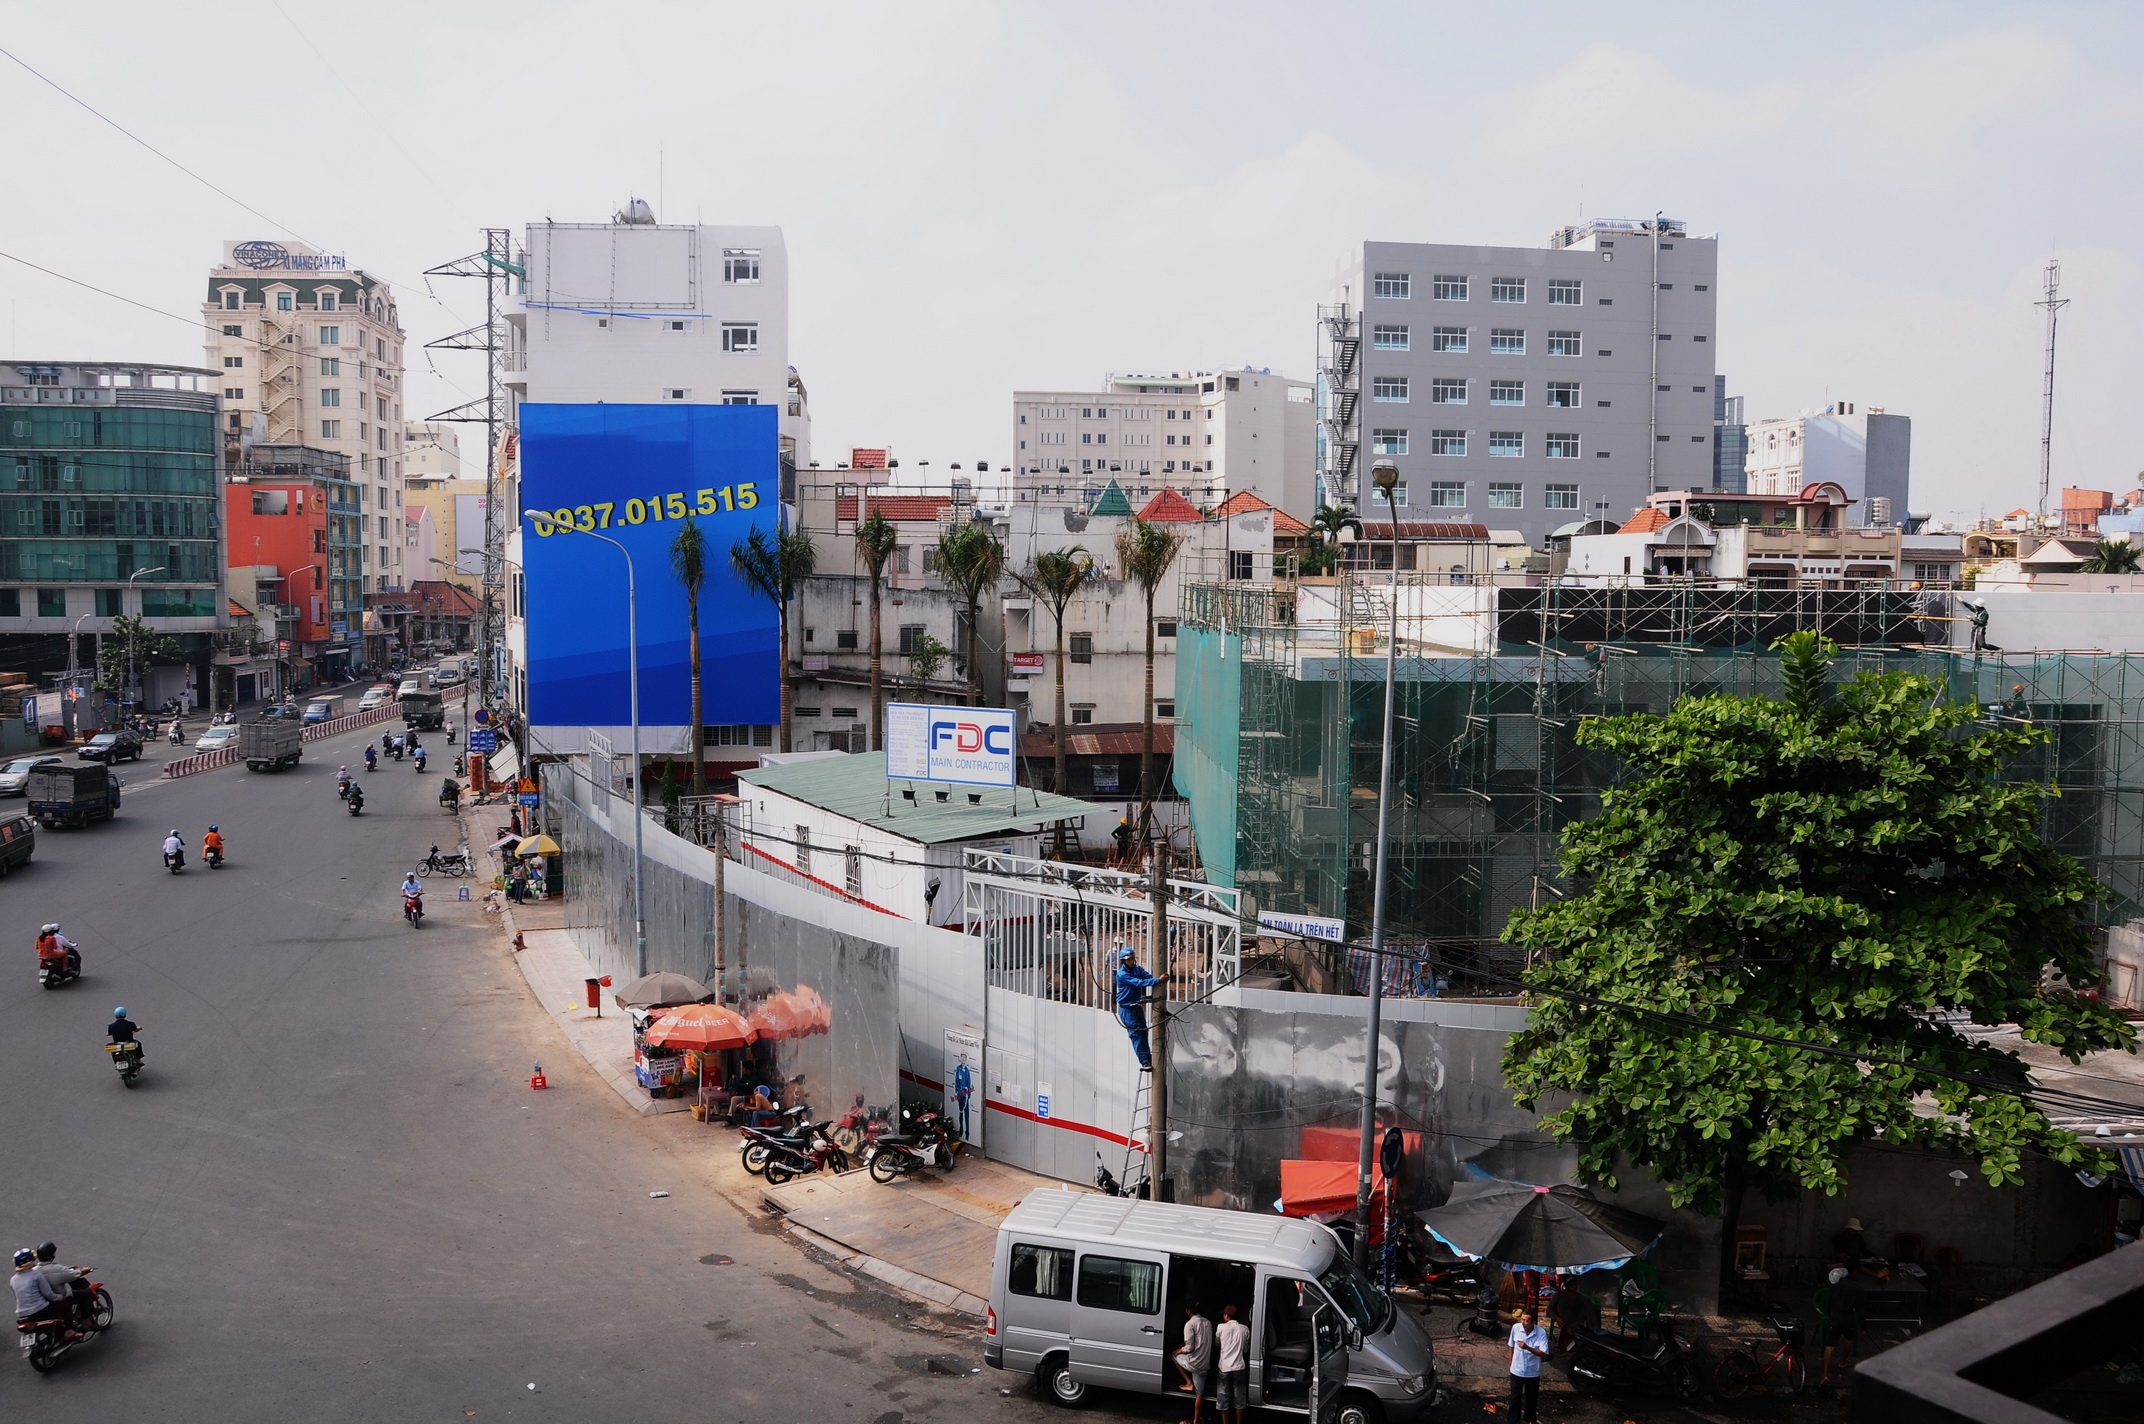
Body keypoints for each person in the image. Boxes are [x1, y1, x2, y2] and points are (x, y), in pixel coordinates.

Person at [12, 1248, 78, 1341]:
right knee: (65, 1305)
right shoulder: (36, 1274)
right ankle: (69, 1332)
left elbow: (16, 1297)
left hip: (22, 1314)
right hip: (40, 1309)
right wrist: (60, 1297)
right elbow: (49, 1294)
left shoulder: (13, 1280)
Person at [1113, 944, 1161, 1070]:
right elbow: (1139, 983)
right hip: (1126, 1008)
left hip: (1136, 1005)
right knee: (1136, 1035)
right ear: (1123, 961)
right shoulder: (1122, 974)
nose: (1131, 961)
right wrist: (1158, 981)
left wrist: (1156, 980)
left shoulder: (1137, 969)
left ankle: (1149, 1057)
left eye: (1132, 958)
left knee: (1143, 1032)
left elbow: (1147, 977)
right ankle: (1144, 1062)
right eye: (1128, 959)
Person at [1818, 1265, 1863, 1387]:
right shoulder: (1857, 1288)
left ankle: (1825, 1374)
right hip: (1847, 1318)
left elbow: (1827, 1304)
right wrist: (1863, 1326)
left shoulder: (1833, 1287)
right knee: (1849, 1339)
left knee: (1830, 1346)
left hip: (1834, 1318)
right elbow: (1859, 1309)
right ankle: (1843, 1361)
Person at [1507, 1306, 1549, 1424]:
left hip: (1532, 1372)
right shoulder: (1516, 1328)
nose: (1524, 1323)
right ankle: (1513, 1420)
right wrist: (1511, 1361)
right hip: (1517, 1370)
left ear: (1533, 1322)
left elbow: (1544, 1354)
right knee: (1515, 1398)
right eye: (1522, 1320)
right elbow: (1510, 1345)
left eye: (1526, 1321)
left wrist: (1527, 1347)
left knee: (1531, 1399)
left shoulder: (1541, 1333)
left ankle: (1530, 1419)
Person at [1175, 1302, 1215, 1421]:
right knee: (1200, 1394)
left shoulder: (1190, 1324)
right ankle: (1196, 1420)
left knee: (1173, 1356)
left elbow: (1189, 1348)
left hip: (1194, 1363)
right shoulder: (1208, 1322)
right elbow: (1201, 1341)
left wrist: (1178, 1351)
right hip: (1205, 1364)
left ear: (1188, 1311)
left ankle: (1188, 1382)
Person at [33, 1244, 88, 1327]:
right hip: (57, 1299)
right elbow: (72, 1275)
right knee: (86, 1294)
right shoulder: (56, 1269)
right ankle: (86, 1323)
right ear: (52, 1255)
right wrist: (83, 1270)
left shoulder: (33, 1271)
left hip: (42, 1302)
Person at [1213, 1302, 1249, 1424]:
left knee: (1224, 1399)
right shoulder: (1245, 1329)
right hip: (1239, 1367)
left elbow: (1217, 1344)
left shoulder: (1220, 1327)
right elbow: (1246, 1349)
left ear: (1227, 1315)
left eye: (1224, 1314)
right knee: (1240, 1399)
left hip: (1224, 1368)